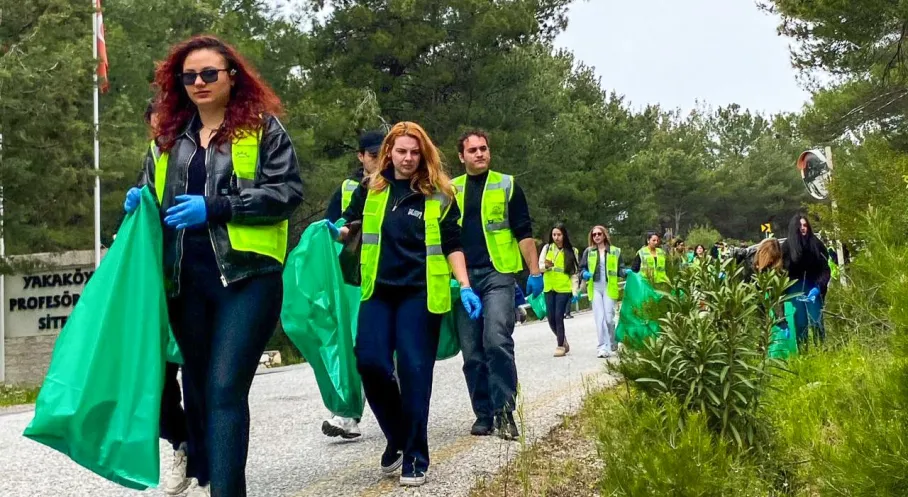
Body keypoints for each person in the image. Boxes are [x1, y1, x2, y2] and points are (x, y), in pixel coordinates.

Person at [123, 35, 303, 497]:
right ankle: (208, 473)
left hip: (248, 279)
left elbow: (287, 194)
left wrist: (218, 206)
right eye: (189, 76)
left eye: (209, 74)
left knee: (225, 389)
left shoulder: (263, 129)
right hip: (186, 283)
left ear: (232, 77)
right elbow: (153, 197)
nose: (199, 82)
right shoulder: (167, 139)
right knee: (201, 389)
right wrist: (138, 203)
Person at [333, 121, 481, 487]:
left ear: (424, 154)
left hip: (420, 294)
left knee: (415, 372)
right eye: (401, 151)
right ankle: (397, 436)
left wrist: (464, 285)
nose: (408, 158)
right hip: (377, 292)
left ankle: (416, 453)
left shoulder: (441, 194)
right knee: (370, 363)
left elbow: (452, 243)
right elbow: (350, 226)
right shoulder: (371, 188)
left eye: (415, 152)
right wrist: (336, 232)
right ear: (389, 153)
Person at [451, 130, 542, 440]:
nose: (480, 154)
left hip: (498, 274)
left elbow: (523, 232)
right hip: (463, 280)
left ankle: (505, 411)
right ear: (461, 156)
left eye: (484, 148)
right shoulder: (450, 191)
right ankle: (483, 414)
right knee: (472, 351)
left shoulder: (507, 185)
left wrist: (535, 271)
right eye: (473, 150)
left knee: (496, 340)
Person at [318, 130, 385, 440]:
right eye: (373, 155)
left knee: (385, 354)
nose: (379, 159)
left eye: (383, 152)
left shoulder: (401, 184)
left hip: (392, 278)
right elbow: (330, 231)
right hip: (355, 284)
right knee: (359, 348)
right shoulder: (349, 189)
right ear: (360, 157)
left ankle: (397, 417)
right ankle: (348, 414)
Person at [579, 226, 627, 358]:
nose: (597, 236)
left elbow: (620, 269)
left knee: (609, 318)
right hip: (595, 287)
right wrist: (584, 274)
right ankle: (602, 347)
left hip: (608, 287)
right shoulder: (588, 252)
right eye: (594, 235)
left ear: (604, 235)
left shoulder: (615, 251)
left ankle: (612, 341)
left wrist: (625, 273)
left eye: (599, 234)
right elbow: (581, 269)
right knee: (599, 318)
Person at [783, 214, 830, 345]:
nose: (803, 228)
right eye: (800, 226)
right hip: (795, 287)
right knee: (800, 322)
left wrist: (818, 287)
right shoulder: (787, 247)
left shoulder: (816, 244)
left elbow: (825, 269)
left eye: (805, 225)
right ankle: (803, 352)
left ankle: (821, 349)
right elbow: (782, 271)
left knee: (817, 320)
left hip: (813, 286)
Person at [324, 130, 384, 224]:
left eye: (383, 156)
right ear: (361, 156)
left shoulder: (393, 185)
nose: (379, 161)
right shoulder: (346, 187)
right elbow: (329, 225)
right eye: (374, 156)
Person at [539, 223, 580, 357]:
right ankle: (563, 339)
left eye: (559, 235)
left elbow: (574, 273)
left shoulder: (572, 251)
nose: (556, 237)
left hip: (563, 288)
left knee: (558, 316)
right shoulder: (547, 248)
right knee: (551, 318)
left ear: (564, 235)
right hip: (549, 286)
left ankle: (560, 345)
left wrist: (575, 291)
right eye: (554, 235)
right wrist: (545, 266)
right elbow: (539, 267)